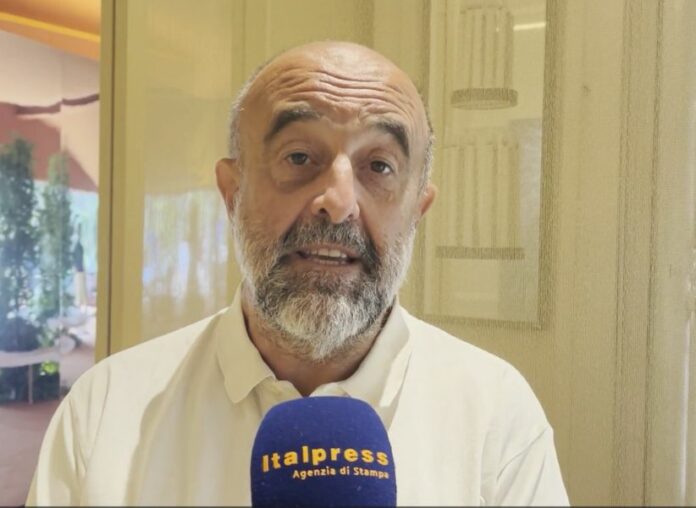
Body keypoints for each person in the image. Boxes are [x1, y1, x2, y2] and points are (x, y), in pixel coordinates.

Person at [26, 41, 569, 506]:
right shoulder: (105, 409)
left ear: (416, 212)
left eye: (379, 166)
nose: (338, 201)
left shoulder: (496, 416)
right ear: (232, 192)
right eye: (299, 157)